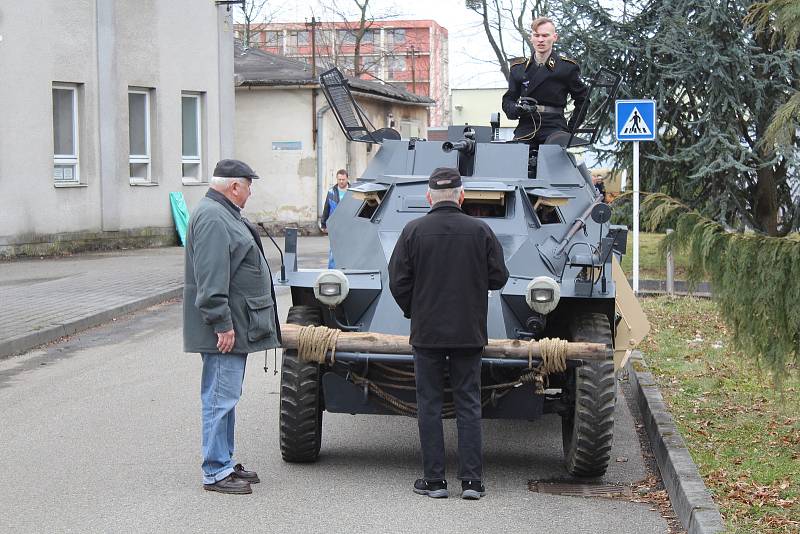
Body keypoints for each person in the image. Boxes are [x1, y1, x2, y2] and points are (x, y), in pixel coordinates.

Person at [388, 167, 509, 501]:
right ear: (462, 196)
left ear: (428, 197)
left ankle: (435, 481)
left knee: (428, 404)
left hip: (427, 333)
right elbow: (499, 278)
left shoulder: (412, 231)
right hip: (469, 332)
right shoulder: (481, 230)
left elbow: (398, 281)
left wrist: (414, 309)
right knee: (468, 404)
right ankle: (472, 482)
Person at [183, 159, 281, 495]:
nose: (251, 192)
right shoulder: (212, 216)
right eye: (249, 185)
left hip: (234, 324)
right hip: (225, 329)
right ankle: (215, 471)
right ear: (234, 186)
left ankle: (224, 460)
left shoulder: (222, 212)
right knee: (219, 398)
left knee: (226, 396)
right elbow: (210, 279)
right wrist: (222, 324)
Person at [501, 17, 589, 151]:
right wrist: (516, 109)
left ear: (554, 37)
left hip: (554, 126)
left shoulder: (566, 68)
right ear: (531, 37)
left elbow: (583, 99)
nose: (540, 40)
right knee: (515, 160)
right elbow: (508, 99)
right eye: (536, 35)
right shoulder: (518, 68)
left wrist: (570, 130)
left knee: (553, 163)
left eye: (545, 35)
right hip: (526, 126)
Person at [320, 169, 350, 268]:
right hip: (335, 227)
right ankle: (332, 273)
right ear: (337, 179)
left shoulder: (353, 191)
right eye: (339, 179)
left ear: (347, 179)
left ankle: (347, 270)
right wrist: (323, 224)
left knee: (348, 250)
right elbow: (326, 208)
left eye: (343, 179)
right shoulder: (331, 192)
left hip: (350, 226)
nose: (341, 181)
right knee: (334, 251)